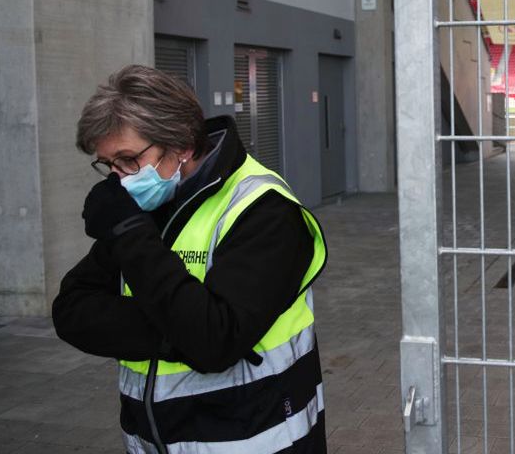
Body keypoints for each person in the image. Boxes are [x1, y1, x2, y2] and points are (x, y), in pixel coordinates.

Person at [52, 65, 328, 453]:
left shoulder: (264, 210)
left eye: (129, 160)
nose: (118, 179)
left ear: (181, 143)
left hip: (253, 440)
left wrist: (131, 234)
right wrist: (177, 334)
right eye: (108, 164)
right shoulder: (149, 203)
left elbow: (214, 342)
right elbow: (71, 310)